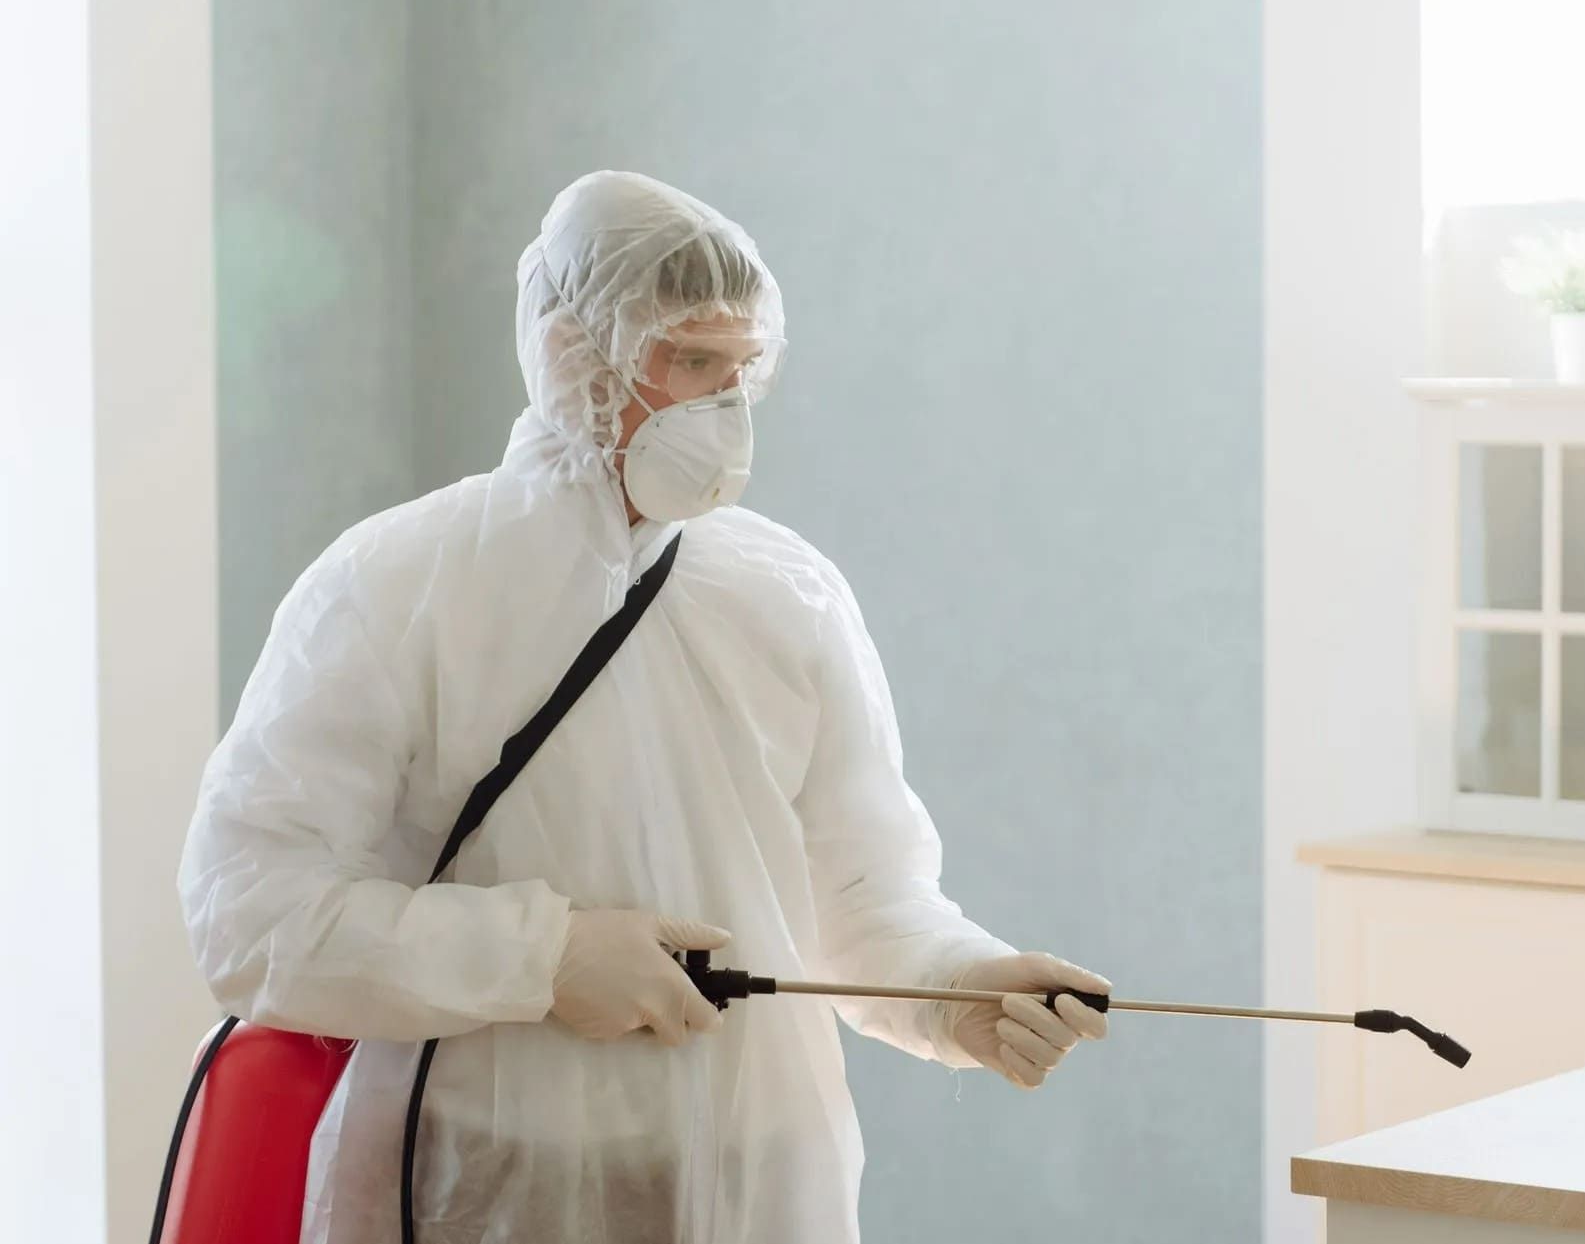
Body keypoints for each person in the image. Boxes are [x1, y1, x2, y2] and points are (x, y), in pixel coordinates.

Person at [177, 170, 1110, 1244]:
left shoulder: (786, 594)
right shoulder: (396, 588)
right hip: (480, 1186)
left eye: (742, 369)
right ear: (578, 353)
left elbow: (858, 894)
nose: (724, 405)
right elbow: (250, 913)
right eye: (691, 362)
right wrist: (543, 956)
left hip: (761, 1179)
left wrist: (958, 987)